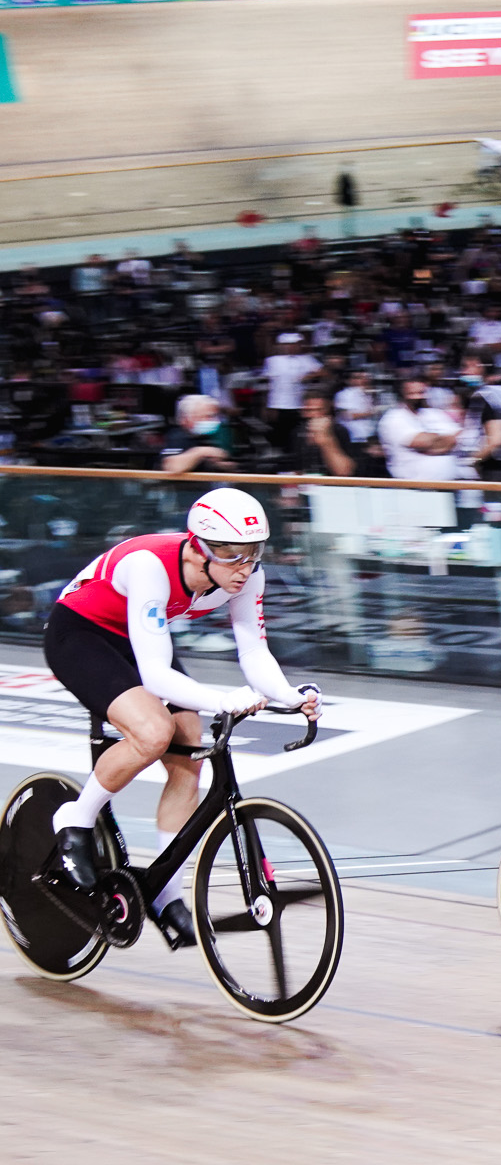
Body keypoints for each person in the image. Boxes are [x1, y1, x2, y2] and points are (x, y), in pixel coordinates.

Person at [40, 489, 321, 944]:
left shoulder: (247, 576)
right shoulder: (152, 565)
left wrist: (290, 696)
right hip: (81, 634)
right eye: (232, 557)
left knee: (189, 752)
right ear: (197, 548)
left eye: (253, 555)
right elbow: (153, 673)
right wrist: (220, 700)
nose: (244, 569)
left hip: (137, 637)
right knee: (153, 731)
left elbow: (253, 650)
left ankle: (164, 895)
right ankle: (75, 816)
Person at [379, 379, 460, 481]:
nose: (418, 397)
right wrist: (444, 441)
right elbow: (421, 442)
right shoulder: (393, 418)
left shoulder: (435, 413)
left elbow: (460, 437)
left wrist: (432, 443)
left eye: (421, 392)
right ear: (402, 395)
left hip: (449, 485)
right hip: (414, 487)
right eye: (412, 393)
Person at [262, 332, 321, 451]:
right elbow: (267, 384)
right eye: (288, 344)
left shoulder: (307, 359)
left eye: (294, 344)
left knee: (299, 434)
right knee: (279, 435)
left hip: (300, 404)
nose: (291, 347)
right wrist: (267, 406)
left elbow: (323, 372)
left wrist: (308, 376)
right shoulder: (272, 361)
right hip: (278, 404)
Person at [158, 394, 236, 475]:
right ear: (188, 418)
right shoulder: (177, 437)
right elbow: (172, 467)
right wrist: (201, 452)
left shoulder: (208, 436)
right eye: (209, 416)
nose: (215, 421)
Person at [286, 392, 355, 477]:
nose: (313, 414)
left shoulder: (339, 431)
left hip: (332, 484)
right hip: (305, 484)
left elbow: (344, 472)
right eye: (308, 410)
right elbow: (295, 468)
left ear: (327, 411)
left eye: (318, 410)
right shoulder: (297, 432)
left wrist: (326, 440)